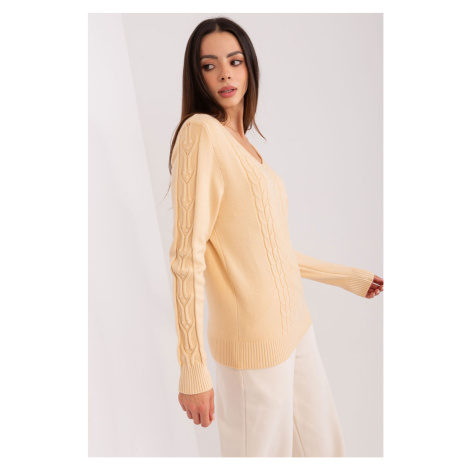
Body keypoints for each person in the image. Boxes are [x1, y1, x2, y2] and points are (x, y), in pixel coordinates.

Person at [167, 17, 383, 457]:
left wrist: (347, 277)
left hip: (296, 330)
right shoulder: (200, 133)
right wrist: (192, 367)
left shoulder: (244, 145)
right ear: (197, 75)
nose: (225, 74)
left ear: (249, 68)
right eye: (209, 65)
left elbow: (269, 250)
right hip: (251, 345)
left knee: (327, 452)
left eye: (235, 61)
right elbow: (187, 257)